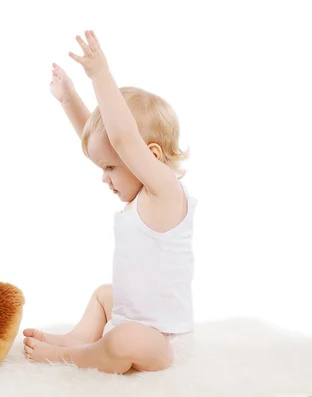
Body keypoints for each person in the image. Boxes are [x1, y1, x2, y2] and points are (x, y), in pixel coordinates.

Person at [23, 31, 197, 374]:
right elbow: (104, 145)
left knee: (123, 341)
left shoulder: (165, 194)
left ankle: (71, 357)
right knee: (104, 294)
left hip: (162, 342)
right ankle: (79, 340)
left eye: (112, 169)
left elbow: (121, 139)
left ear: (150, 155)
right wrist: (69, 99)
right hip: (128, 319)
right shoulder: (141, 198)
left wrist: (99, 75)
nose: (104, 177)